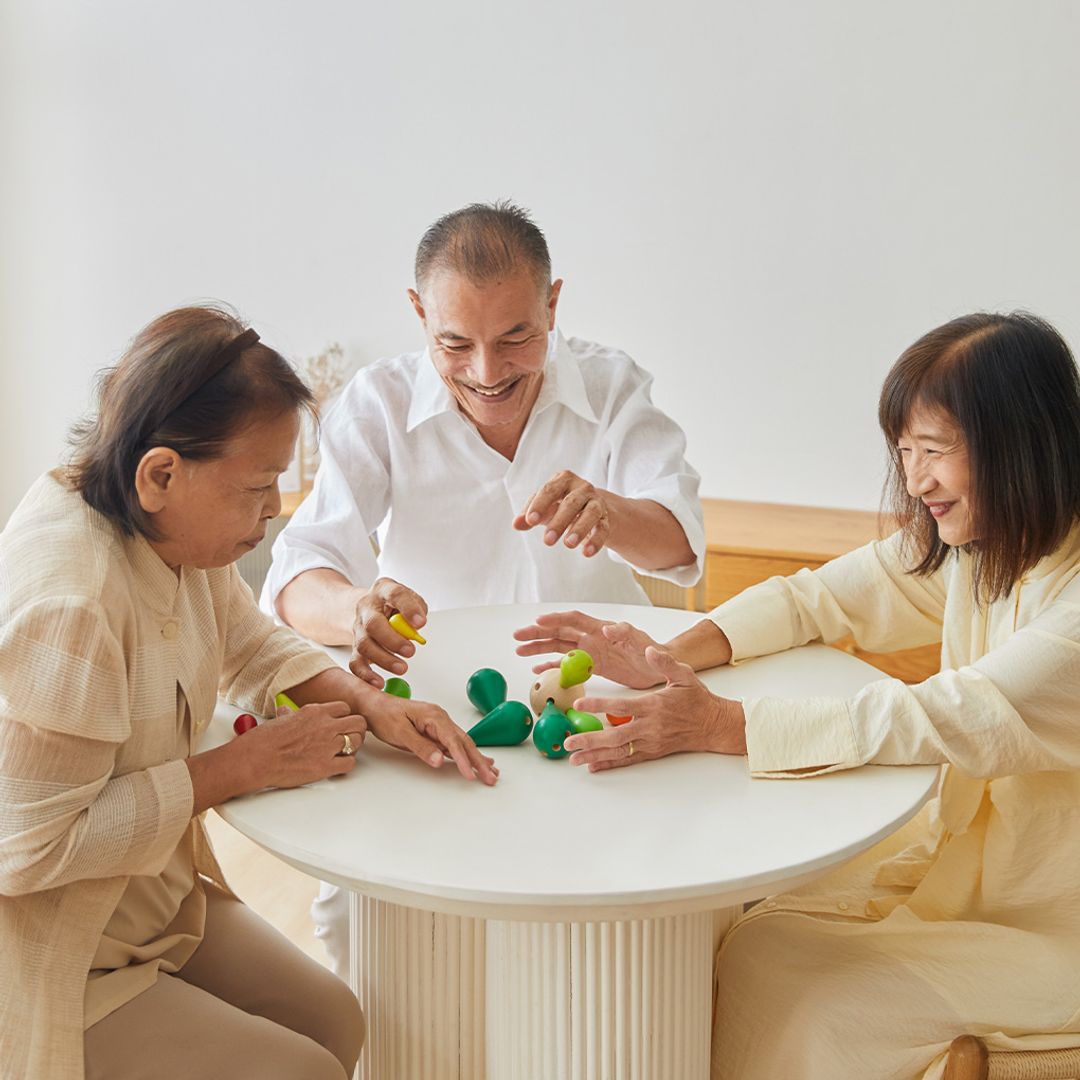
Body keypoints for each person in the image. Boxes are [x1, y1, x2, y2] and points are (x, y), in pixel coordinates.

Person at [514, 312, 1080, 1079]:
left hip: (1049, 928)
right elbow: (821, 598)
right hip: (955, 863)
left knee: (812, 999)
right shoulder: (988, 543)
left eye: (936, 451)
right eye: (905, 452)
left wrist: (719, 724)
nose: (916, 481)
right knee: (747, 931)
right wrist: (664, 654)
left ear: (1021, 443)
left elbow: (947, 712)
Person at [0, 306, 496, 1080]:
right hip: (55, 956)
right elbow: (27, 850)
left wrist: (374, 706)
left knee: (337, 1019)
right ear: (161, 472)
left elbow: (245, 637)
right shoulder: (69, 603)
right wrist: (241, 767)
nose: (274, 512)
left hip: (147, 902)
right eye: (259, 487)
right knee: (308, 1071)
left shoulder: (169, 529)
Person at [262, 200, 705, 969]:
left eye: (517, 337)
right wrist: (355, 608)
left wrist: (613, 513)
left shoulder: (610, 387)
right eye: (454, 343)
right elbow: (298, 572)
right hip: (439, 712)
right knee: (361, 924)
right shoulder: (379, 404)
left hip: (596, 700)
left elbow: (678, 541)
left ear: (553, 303)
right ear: (417, 314)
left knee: (618, 923)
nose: (487, 373)